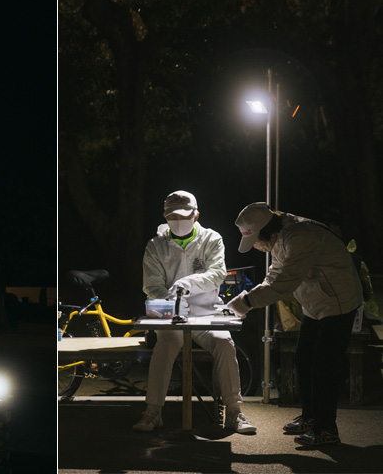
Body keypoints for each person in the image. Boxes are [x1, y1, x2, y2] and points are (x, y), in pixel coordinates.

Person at [228, 202, 363, 446]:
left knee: (324, 366)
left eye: (257, 239)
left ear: (267, 230)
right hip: (316, 303)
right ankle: (311, 417)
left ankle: (326, 430)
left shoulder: (301, 236)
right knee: (303, 359)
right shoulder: (282, 235)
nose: (257, 246)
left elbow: (283, 284)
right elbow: (275, 274)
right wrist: (247, 299)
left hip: (338, 302)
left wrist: (246, 302)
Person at [134, 190, 256, 434]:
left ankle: (233, 411)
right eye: (172, 217)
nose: (177, 221)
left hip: (206, 313)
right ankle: (153, 411)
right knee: (165, 345)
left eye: (183, 216)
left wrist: (188, 283)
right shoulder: (155, 245)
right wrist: (168, 299)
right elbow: (152, 284)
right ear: (165, 216)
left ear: (196, 215)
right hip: (171, 316)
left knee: (224, 343)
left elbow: (217, 274)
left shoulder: (211, 239)